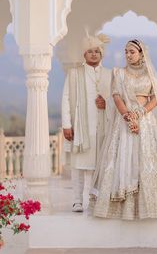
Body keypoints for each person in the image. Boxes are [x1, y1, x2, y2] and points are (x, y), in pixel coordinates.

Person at [90, 39, 157, 220]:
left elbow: (156, 98)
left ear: (141, 53)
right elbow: (117, 97)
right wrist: (128, 117)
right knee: (120, 161)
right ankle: (120, 208)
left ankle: (154, 206)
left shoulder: (150, 74)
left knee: (147, 161)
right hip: (123, 122)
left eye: (132, 52)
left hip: (146, 122)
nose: (127, 55)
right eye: (126, 51)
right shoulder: (119, 73)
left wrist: (140, 113)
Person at [62, 33, 112, 212]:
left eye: (97, 51)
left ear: (102, 54)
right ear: (84, 54)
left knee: (99, 165)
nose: (93, 54)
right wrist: (67, 124)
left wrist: (107, 104)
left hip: (102, 127)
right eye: (90, 51)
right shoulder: (74, 74)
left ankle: (95, 198)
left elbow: (117, 99)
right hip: (80, 127)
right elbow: (66, 98)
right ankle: (77, 200)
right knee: (78, 165)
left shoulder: (109, 74)